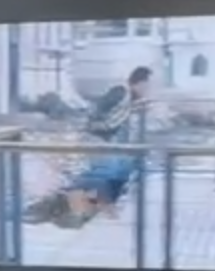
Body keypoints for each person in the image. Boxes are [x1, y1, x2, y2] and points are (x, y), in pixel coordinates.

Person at [23, 65, 155, 228]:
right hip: (94, 138)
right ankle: (81, 207)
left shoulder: (131, 100)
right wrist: (96, 125)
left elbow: (122, 120)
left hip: (103, 140)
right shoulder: (120, 91)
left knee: (111, 175)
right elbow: (98, 109)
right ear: (139, 83)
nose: (149, 90)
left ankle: (85, 208)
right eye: (147, 86)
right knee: (104, 175)